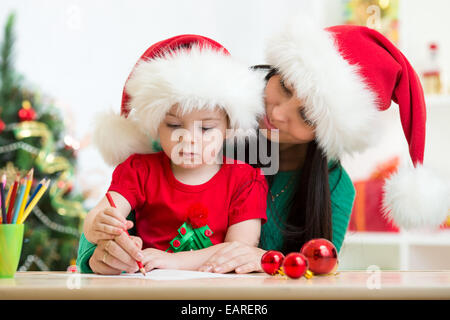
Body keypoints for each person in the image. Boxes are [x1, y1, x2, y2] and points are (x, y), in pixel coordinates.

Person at [197, 19, 449, 274]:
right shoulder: (216, 126)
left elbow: (319, 273)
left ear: (328, 131)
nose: (278, 113)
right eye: (285, 86)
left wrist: (266, 261)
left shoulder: (335, 187)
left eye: (307, 115)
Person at [77, 34, 268, 274]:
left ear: (229, 129)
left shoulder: (245, 180)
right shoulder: (139, 169)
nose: (188, 139)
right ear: (155, 125)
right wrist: (101, 226)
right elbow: (100, 214)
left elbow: (239, 250)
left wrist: (169, 260)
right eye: (174, 126)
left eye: (206, 128)